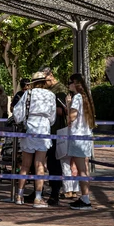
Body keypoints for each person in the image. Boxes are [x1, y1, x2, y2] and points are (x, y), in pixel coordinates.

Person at [11, 71, 57, 208]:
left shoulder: (28, 93)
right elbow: (53, 117)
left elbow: (17, 113)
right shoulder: (50, 95)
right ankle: (38, 197)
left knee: (25, 164)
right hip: (43, 128)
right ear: (44, 82)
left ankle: (19, 195)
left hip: (30, 127)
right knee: (40, 165)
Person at [65, 73, 97, 210]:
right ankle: (85, 197)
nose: (68, 85)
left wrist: (68, 105)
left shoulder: (77, 97)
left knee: (81, 169)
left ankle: (85, 199)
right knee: (84, 167)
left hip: (78, 136)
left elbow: (72, 116)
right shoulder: (86, 97)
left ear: (75, 83)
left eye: (69, 82)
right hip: (86, 135)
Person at [42, 68, 69, 206]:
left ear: (50, 75)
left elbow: (63, 110)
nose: (43, 82)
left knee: (54, 162)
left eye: (44, 79)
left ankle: (55, 193)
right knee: (39, 160)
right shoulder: (46, 89)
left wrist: (44, 108)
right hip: (44, 130)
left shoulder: (60, 90)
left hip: (55, 131)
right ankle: (38, 191)